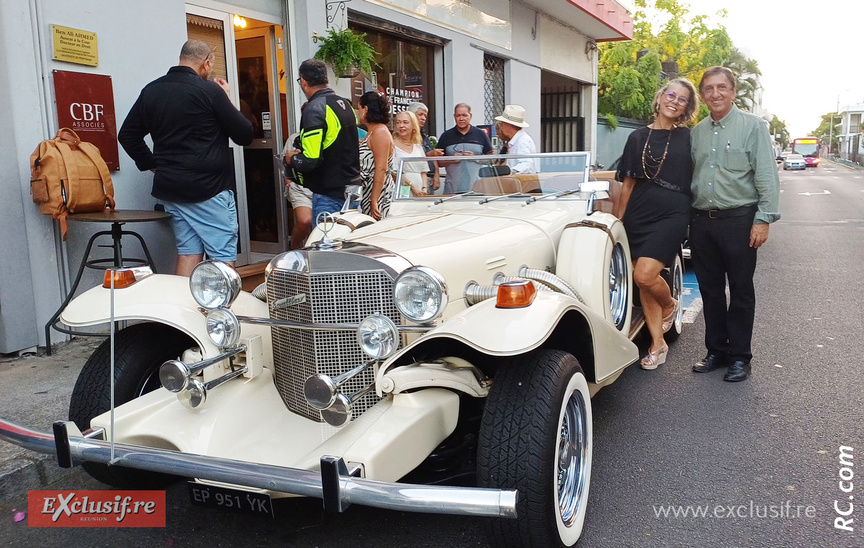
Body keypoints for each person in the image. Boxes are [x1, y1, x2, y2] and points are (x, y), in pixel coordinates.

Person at [118, 40, 253, 276]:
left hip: (171, 189)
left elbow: (127, 135)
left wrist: (152, 165)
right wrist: (227, 98)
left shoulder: (151, 90)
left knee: (189, 252)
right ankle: (223, 311)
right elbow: (244, 134)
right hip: (209, 189)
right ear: (206, 62)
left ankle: (182, 310)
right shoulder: (210, 91)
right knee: (221, 256)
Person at [690, 66, 781, 382]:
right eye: (709, 89)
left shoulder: (753, 126)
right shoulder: (696, 132)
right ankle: (717, 351)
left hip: (740, 221)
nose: (715, 94)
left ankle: (740, 357)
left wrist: (764, 218)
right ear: (702, 95)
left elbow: (766, 174)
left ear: (733, 91)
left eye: (721, 88)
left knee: (741, 290)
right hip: (702, 222)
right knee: (710, 290)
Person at [614, 79, 699, 370]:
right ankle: (657, 344)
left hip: (673, 213)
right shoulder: (637, 137)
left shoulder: (690, 137)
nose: (674, 101)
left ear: (688, 107)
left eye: (682, 99)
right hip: (639, 213)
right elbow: (627, 184)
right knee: (644, 284)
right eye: (671, 95)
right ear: (660, 97)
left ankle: (671, 304)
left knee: (645, 275)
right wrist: (617, 221)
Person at [284, 59, 361, 222]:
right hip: (352, 190)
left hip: (330, 194)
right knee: (350, 244)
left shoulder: (315, 108)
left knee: (326, 245)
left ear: (303, 82)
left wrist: (292, 158)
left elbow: (311, 160)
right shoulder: (345, 105)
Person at [429, 103, 494, 193]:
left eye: (464, 115)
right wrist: (452, 160)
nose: (461, 119)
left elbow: (491, 159)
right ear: (454, 116)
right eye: (458, 115)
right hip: (452, 189)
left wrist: (476, 158)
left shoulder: (480, 134)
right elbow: (438, 161)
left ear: (470, 116)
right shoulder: (446, 136)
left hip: (477, 188)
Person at [357, 91, 395, 220]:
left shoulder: (380, 132)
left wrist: (374, 199)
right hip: (368, 192)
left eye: (359, 108)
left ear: (365, 109)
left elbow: (381, 168)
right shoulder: (372, 132)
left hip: (379, 193)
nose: (358, 112)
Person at [494, 104, 538, 174]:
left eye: (502, 123)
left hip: (521, 183)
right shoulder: (517, 140)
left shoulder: (522, 141)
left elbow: (526, 165)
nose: (501, 127)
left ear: (507, 125)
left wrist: (509, 172)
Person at [392, 110, 428, 197]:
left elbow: (423, 171)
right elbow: (394, 172)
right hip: (403, 188)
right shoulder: (392, 145)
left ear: (413, 125)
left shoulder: (418, 146)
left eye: (405, 122)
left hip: (419, 191)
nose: (401, 126)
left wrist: (424, 188)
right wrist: (412, 187)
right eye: (398, 122)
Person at [407, 102, 440, 193]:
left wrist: (436, 174)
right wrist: (429, 154)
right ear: (411, 115)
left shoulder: (424, 135)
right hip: (413, 178)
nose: (423, 118)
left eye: (425, 116)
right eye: (420, 114)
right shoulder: (406, 135)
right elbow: (408, 159)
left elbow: (432, 156)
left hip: (428, 178)